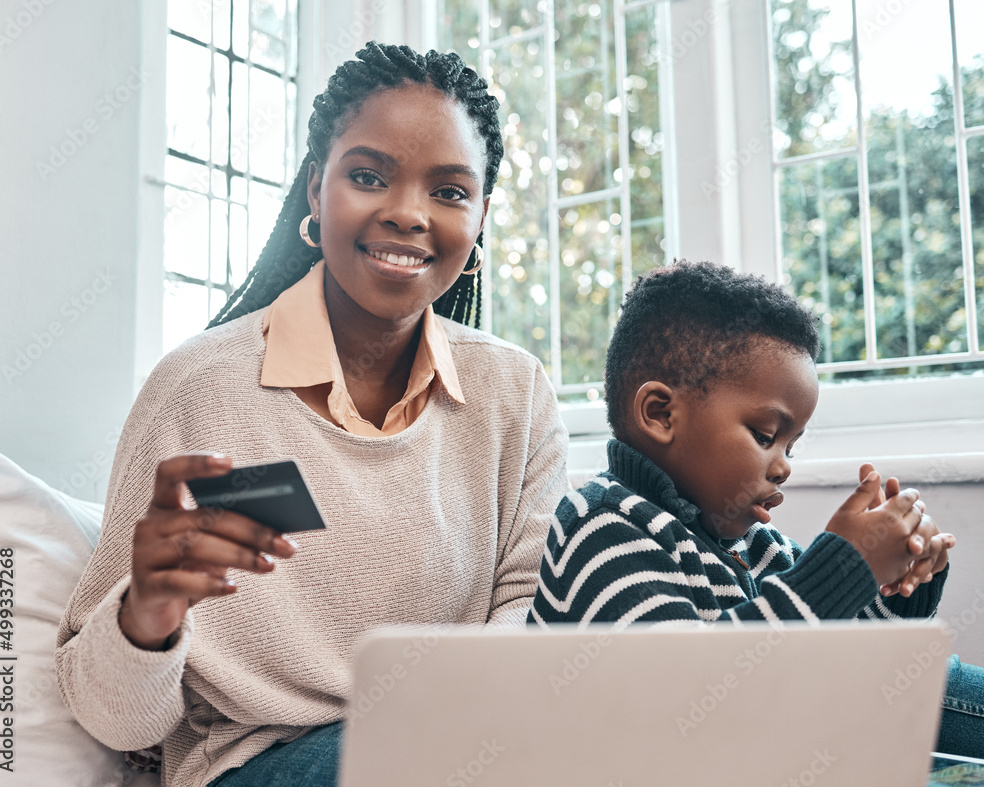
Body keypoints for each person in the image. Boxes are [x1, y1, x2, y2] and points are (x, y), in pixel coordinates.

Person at [56, 42, 569, 787]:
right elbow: (118, 723)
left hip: (458, 747)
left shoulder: (515, 394)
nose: (407, 214)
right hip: (255, 763)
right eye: (368, 177)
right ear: (315, 190)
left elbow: (531, 614)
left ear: (481, 214)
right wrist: (148, 611)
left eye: (450, 192)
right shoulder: (198, 389)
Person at [527, 260, 984, 757]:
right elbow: (686, 701)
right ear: (660, 414)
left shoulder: (755, 546)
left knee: (919, 680)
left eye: (792, 446)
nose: (784, 467)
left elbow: (851, 664)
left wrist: (900, 587)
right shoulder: (602, 526)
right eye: (766, 436)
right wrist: (842, 567)